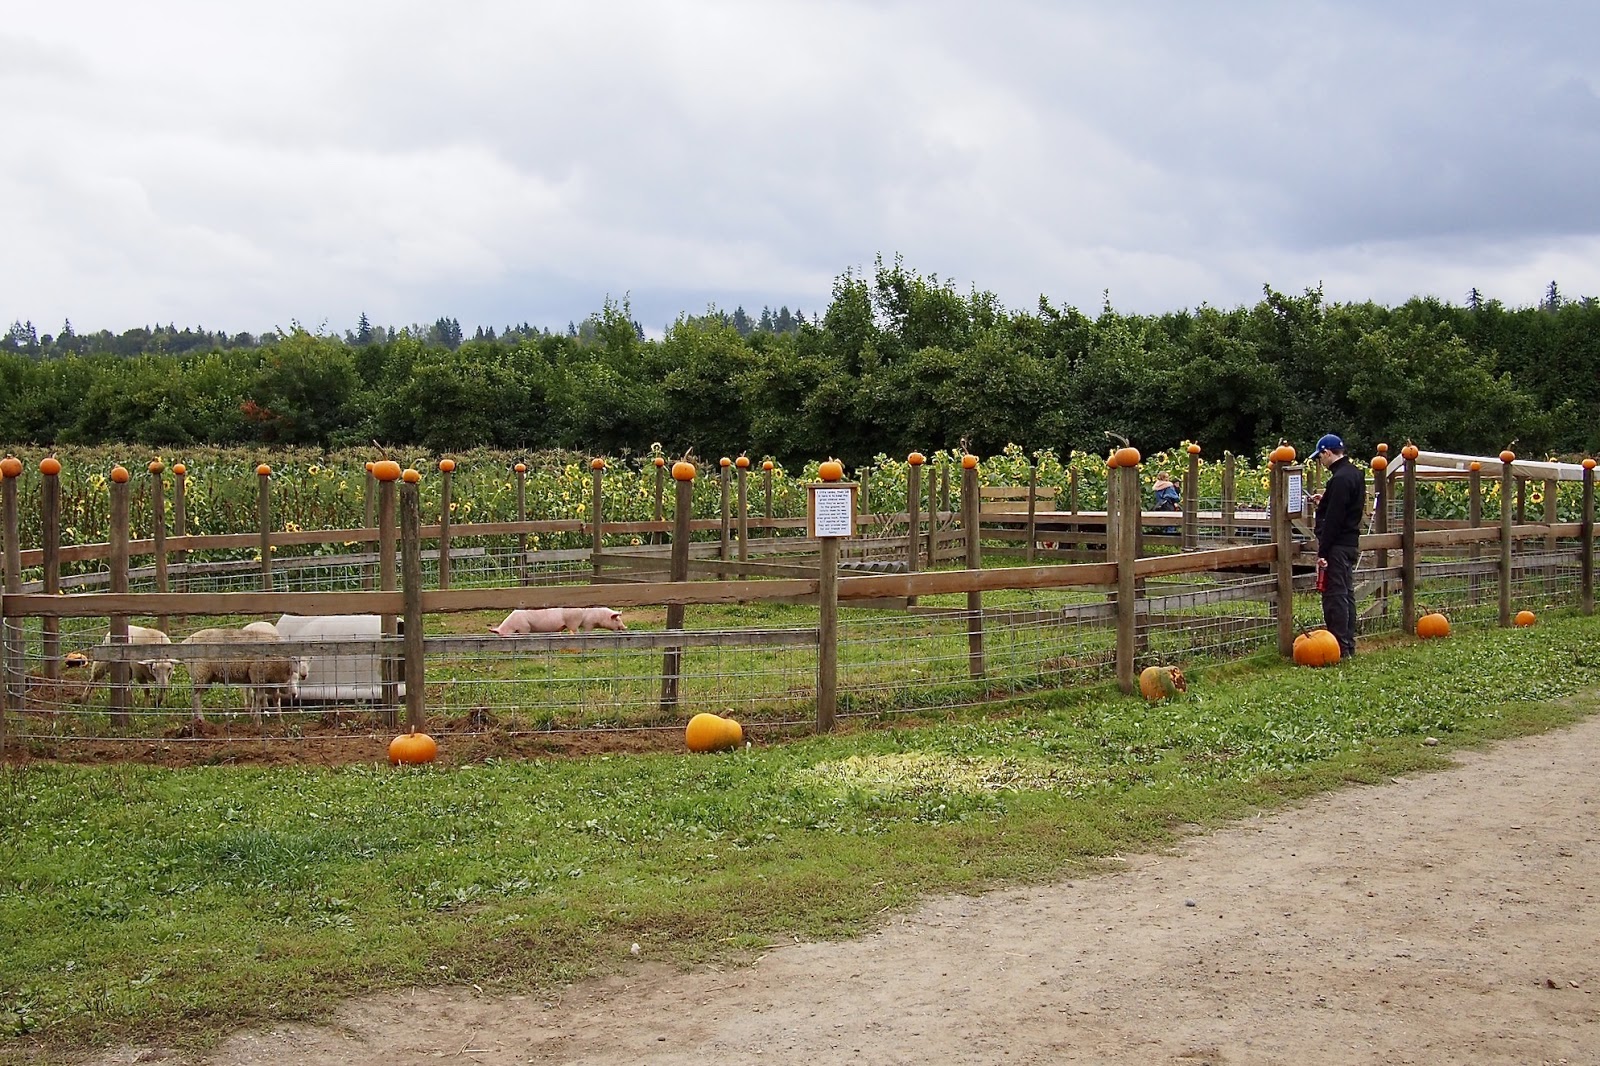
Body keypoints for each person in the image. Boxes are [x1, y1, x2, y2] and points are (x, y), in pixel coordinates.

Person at [1310, 433, 1365, 660]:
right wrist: (1326, 500)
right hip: (1350, 542)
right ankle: (1347, 644)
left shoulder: (1339, 479)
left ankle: (1339, 647)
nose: (1320, 462)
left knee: (1335, 595)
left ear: (1327, 452)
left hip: (1338, 545)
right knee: (1347, 594)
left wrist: (1323, 551)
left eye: (1320, 456)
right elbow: (1346, 506)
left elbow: (1335, 518)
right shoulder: (1354, 474)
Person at [1151, 470, 1180, 535]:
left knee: (1164, 521)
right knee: (1171, 522)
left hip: (1160, 505)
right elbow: (1174, 496)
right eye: (1166, 477)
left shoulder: (1156, 486)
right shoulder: (1169, 485)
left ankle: (1164, 539)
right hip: (1168, 505)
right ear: (1163, 478)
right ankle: (1170, 539)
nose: (1168, 478)